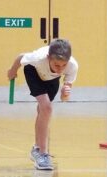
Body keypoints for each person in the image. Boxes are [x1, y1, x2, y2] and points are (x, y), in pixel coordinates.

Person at [7, 39, 78, 170]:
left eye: (64, 65)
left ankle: (36, 148)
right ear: (48, 58)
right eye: (57, 65)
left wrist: (65, 93)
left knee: (43, 111)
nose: (60, 69)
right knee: (47, 108)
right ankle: (42, 154)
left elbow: (64, 98)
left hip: (51, 79)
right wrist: (12, 71)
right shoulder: (37, 58)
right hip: (33, 71)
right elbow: (21, 57)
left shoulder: (72, 65)